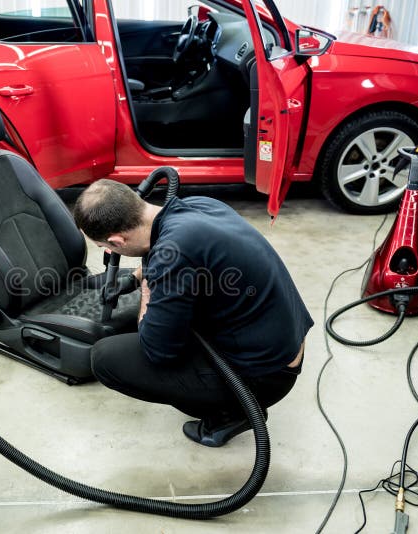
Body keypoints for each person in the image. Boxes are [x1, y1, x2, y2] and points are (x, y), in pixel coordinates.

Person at [73, 179, 313, 447]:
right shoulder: (199, 206)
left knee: (105, 357)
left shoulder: (172, 256)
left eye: (105, 247)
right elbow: (181, 254)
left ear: (117, 240)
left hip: (264, 377)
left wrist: (145, 284)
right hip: (278, 342)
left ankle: (231, 413)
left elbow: (157, 350)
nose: (108, 252)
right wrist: (133, 278)